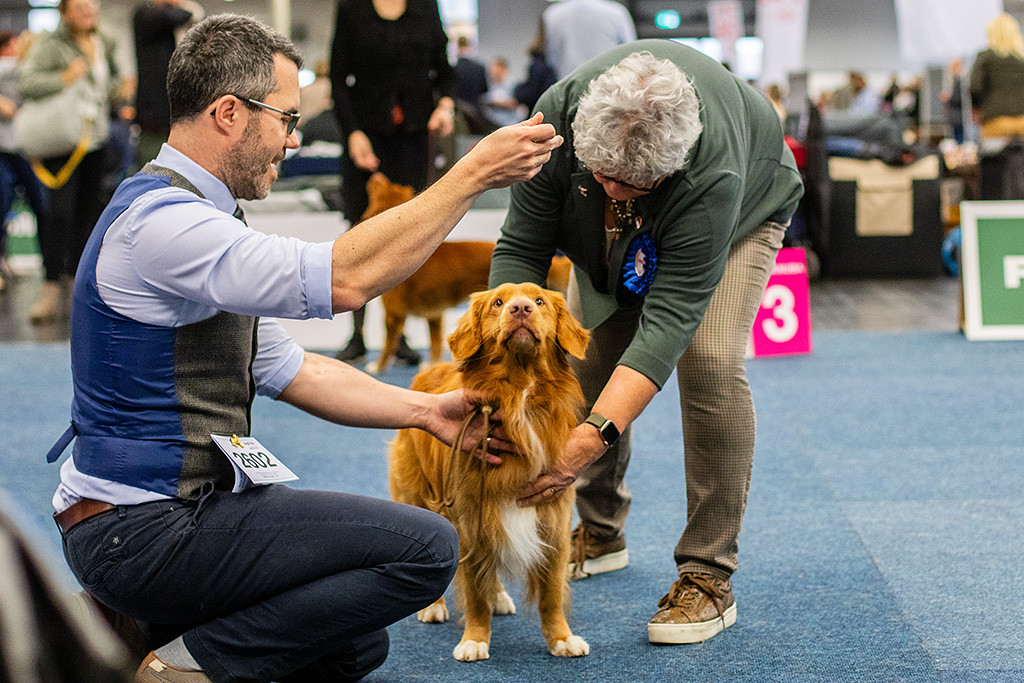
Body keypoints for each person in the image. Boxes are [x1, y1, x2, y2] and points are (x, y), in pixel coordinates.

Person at [44, 13, 562, 682]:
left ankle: (131, 629)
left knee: (353, 645)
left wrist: (427, 411)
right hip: (142, 531)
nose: (293, 138)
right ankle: (173, 665)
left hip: (168, 519)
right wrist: (470, 176)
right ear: (229, 113)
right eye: (286, 119)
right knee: (427, 548)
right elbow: (345, 280)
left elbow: (297, 369)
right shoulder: (165, 224)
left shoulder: (194, 217)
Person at [488, 42, 802, 645]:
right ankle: (600, 530)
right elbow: (523, 246)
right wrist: (500, 365)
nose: (613, 192)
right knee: (586, 354)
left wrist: (587, 442)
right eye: (602, 176)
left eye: (630, 184)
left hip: (745, 208)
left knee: (709, 361)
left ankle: (708, 573)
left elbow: (667, 325)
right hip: (611, 202)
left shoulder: (710, 173)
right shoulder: (554, 124)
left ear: (668, 168)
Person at [330, 0, 456, 365]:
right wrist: (352, 133)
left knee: (407, 235)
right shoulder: (351, 9)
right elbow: (339, 80)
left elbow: (445, 72)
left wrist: (445, 106)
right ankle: (357, 334)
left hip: (414, 139)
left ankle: (398, 335)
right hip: (365, 137)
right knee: (359, 232)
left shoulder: (425, 7)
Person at [18, 0, 118, 324]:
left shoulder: (105, 41)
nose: (87, 10)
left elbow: (107, 84)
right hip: (62, 141)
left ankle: (79, 289)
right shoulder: (50, 43)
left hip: (96, 138)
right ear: (64, 11)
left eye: (91, 4)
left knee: (89, 215)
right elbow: (27, 83)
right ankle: (49, 289)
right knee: (58, 214)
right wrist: (65, 77)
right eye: (79, 6)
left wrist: (119, 89)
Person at [0, 30, 48, 293]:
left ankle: (52, 271)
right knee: (2, 203)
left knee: (43, 206)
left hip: (28, 150)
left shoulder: (33, 71)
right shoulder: (7, 68)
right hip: (3, 149)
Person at [132, 0, 203, 168]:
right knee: (151, 171)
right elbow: (179, 16)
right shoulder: (145, 15)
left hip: (181, 120)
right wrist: (189, 8)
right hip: (154, 121)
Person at [543, 0, 636, 79]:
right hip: (607, 87)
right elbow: (632, 54)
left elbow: (551, 58)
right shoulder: (616, 12)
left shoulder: (552, 14)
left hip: (568, 86)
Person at [969, 12, 1024, 139]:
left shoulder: (985, 57)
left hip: (995, 121)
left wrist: (976, 109)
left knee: (993, 152)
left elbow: (975, 87)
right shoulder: (1022, 59)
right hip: (1022, 122)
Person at [512, 19, 558, 113]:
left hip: (540, 112)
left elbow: (530, 93)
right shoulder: (548, 62)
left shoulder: (541, 63)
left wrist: (517, 89)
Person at [453, 34, 488, 109]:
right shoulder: (479, 68)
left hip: (458, 108)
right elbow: (484, 90)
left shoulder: (453, 69)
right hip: (475, 108)